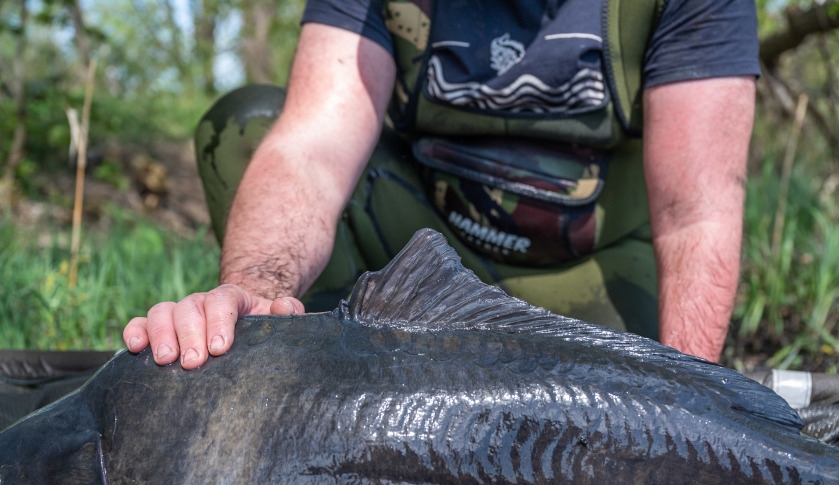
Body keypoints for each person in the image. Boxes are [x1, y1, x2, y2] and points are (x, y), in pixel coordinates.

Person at [123, 0, 758, 369]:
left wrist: (683, 395)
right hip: (413, 259)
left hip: (594, 272)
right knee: (246, 125)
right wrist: (257, 292)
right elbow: (311, 151)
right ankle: (318, 369)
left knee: (648, 403)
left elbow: (695, 214)